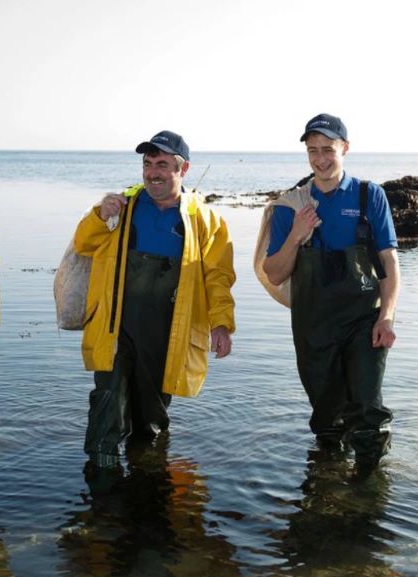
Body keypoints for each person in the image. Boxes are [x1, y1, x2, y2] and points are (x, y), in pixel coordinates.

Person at [73, 130, 235, 470]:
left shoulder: (204, 220)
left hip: (166, 335)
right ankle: (101, 492)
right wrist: (99, 216)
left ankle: (148, 487)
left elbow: (218, 277)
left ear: (183, 169)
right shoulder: (122, 206)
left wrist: (221, 323)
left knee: (150, 422)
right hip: (115, 328)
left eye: (162, 164)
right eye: (148, 164)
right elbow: (83, 244)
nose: (152, 173)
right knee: (107, 403)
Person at [262, 114, 400, 473]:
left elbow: (388, 261)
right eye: (312, 151)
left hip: (363, 319)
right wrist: (296, 234)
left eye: (328, 149)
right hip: (313, 324)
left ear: (345, 148)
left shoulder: (371, 196)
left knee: (368, 406)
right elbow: (274, 273)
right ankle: (329, 483)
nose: (320, 158)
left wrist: (386, 316)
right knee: (326, 415)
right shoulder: (289, 206)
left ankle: (369, 488)